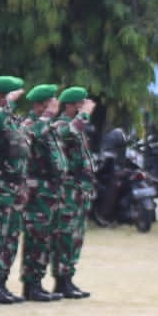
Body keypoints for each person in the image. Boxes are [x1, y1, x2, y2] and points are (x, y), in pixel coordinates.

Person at [20, 84, 68, 301]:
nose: (55, 106)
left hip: (51, 190)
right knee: (36, 237)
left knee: (46, 237)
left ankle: (37, 282)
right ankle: (31, 285)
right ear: (41, 104)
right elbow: (32, 135)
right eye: (51, 102)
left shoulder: (48, 125)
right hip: (37, 190)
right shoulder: (32, 123)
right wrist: (47, 116)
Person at [0, 76, 29, 305]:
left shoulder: (11, 118)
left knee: (11, 235)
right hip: (0, 185)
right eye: (13, 94)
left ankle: (2, 282)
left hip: (15, 184)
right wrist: (6, 103)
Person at [51, 87, 97, 299]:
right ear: (70, 105)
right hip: (68, 191)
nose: (83, 108)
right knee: (65, 235)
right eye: (80, 104)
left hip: (80, 190)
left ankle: (68, 278)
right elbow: (67, 133)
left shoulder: (79, 127)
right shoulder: (61, 125)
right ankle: (61, 280)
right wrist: (84, 115)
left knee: (77, 236)